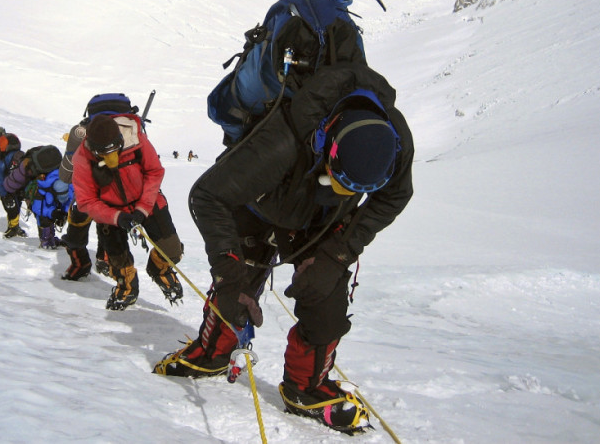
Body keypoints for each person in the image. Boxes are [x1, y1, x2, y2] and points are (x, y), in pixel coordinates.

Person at [154, 63, 413, 433]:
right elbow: (207, 196)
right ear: (327, 142)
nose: (346, 192)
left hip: (321, 219)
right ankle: (211, 353)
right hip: (260, 203)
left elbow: (396, 195)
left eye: (354, 190)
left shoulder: (396, 142)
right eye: (339, 180)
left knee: (325, 294)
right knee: (238, 284)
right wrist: (228, 271)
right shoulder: (282, 140)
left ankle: (306, 389)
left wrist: (338, 254)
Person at [72, 114, 184, 310]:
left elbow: (154, 172)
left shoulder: (136, 139)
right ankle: (126, 287)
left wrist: (142, 208)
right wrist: (116, 217)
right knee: (118, 260)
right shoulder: (82, 158)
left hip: (147, 200)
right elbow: (86, 201)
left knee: (171, 248)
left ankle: (160, 270)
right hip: (111, 210)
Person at [58, 121, 110, 281]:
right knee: (107, 229)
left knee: (77, 232)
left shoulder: (81, 132)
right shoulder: (116, 134)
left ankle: (82, 264)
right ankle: (105, 261)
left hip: (87, 195)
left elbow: (66, 175)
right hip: (105, 194)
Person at [3, 145, 69, 249]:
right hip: (34, 191)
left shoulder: (64, 181)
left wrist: (64, 212)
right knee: (43, 217)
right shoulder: (29, 169)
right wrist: (8, 194)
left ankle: (50, 238)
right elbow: (39, 209)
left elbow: (69, 198)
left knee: (48, 212)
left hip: (47, 187)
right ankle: (46, 240)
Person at [0, 131, 27, 238]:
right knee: (16, 206)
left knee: (12, 207)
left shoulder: (3, 161)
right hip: (18, 186)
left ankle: (13, 227)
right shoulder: (21, 156)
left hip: (8, 188)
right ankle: (14, 226)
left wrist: (4, 195)